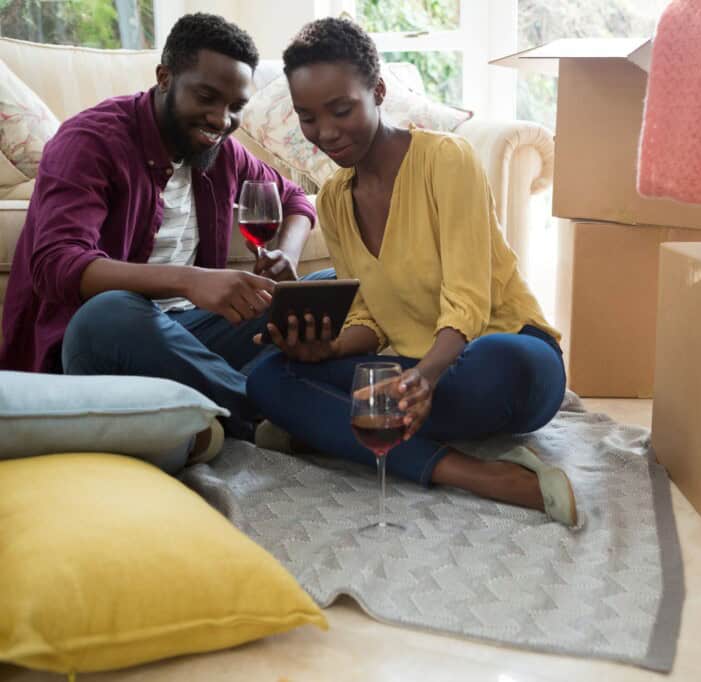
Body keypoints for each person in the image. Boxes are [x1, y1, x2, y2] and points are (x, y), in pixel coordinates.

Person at [246, 17, 577, 526]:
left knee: (493, 361)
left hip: (501, 358)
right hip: (412, 371)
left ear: (377, 92)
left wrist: (425, 375)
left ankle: (328, 427)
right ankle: (470, 470)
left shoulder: (447, 160)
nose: (326, 133)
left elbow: (470, 302)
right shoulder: (335, 199)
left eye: (341, 109)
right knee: (270, 377)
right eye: (308, 117)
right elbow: (370, 320)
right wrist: (327, 350)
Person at [0, 13, 318, 458]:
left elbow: (297, 201)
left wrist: (286, 254)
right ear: (165, 78)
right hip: (101, 344)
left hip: (185, 337)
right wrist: (190, 280)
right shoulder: (90, 142)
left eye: (235, 106)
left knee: (322, 289)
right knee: (107, 313)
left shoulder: (221, 149)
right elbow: (58, 264)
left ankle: (220, 405)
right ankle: (278, 411)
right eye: (206, 97)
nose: (220, 119)